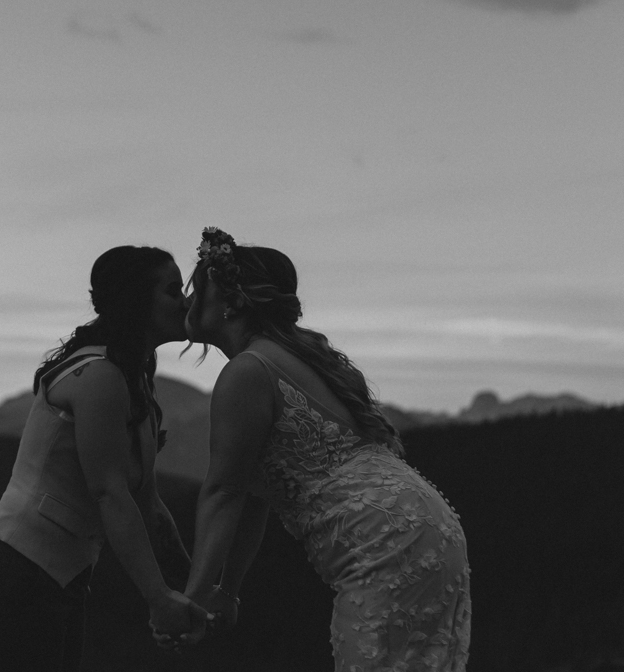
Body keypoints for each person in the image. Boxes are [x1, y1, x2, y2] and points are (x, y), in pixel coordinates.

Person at [163, 227, 471, 670]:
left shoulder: (248, 370)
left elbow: (223, 493)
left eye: (197, 289)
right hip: (424, 526)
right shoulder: (291, 356)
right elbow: (254, 493)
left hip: (384, 542)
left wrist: (190, 600)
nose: (189, 301)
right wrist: (226, 591)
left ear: (231, 301)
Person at [0, 245, 211, 671]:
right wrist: (157, 599)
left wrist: (193, 585)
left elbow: (147, 503)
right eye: (171, 290)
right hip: (11, 573)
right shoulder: (99, 376)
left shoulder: (134, 379)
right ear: (136, 302)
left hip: (57, 580)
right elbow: (109, 492)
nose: (184, 301)